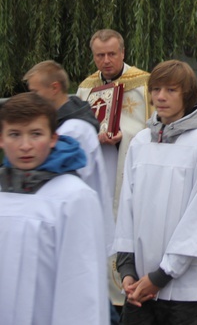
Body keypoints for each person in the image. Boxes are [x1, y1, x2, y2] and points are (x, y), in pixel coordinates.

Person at [115, 60, 197, 323]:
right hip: (138, 282)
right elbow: (127, 205)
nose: (160, 97)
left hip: (182, 288)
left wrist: (162, 276)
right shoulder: (141, 141)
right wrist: (127, 268)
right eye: (155, 89)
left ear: (187, 95)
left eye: (171, 90)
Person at [0, 93, 108, 324]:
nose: (25, 145)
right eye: (15, 134)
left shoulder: (73, 198)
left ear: (53, 138)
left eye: (36, 134)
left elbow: (81, 287)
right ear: (1, 139)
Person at [76, 28, 150, 308]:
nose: (106, 60)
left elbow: (151, 127)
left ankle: (131, 285)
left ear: (122, 53)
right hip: (99, 170)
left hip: (128, 167)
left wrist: (123, 138)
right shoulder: (86, 88)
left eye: (111, 54)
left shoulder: (143, 83)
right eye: (99, 55)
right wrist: (91, 137)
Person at [24, 60, 115, 254]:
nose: (32, 99)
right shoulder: (67, 121)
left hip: (77, 220)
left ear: (54, 88)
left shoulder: (73, 130)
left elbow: (57, 178)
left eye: (35, 93)